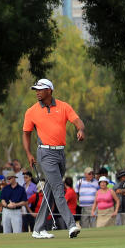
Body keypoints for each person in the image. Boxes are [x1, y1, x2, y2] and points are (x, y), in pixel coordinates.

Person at [21, 78, 85, 239]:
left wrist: (80, 130)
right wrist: (28, 153)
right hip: (45, 153)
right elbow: (26, 134)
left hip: (60, 153)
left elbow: (78, 121)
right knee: (58, 189)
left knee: (49, 190)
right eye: (36, 89)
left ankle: (38, 228)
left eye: (40, 89)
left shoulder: (63, 106)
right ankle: (71, 225)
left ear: (49, 90)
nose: (37, 92)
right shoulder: (31, 111)